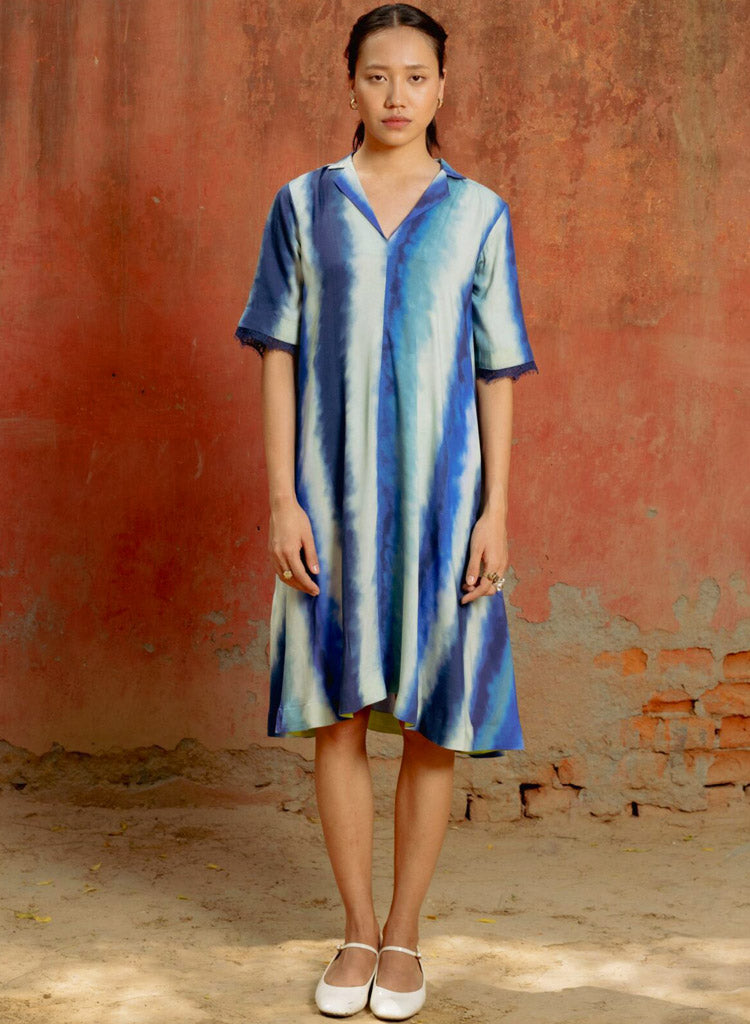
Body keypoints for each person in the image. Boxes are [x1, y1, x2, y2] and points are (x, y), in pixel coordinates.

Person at [234, 4, 537, 1018]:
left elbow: (497, 369)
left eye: (415, 76)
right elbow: (277, 355)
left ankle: (406, 935)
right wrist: (283, 499)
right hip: (328, 504)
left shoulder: (479, 213)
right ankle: (357, 928)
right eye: (378, 75)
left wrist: (497, 510)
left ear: (442, 88)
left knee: (433, 725)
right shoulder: (302, 204)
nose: (397, 95)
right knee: (339, 713)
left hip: (447, 507)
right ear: (351, 84)